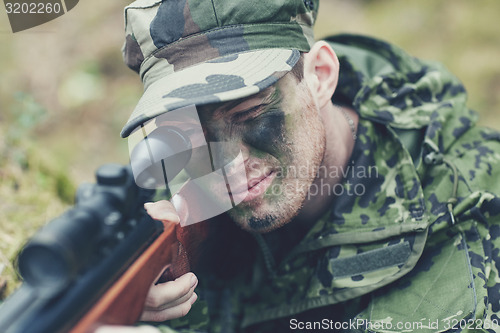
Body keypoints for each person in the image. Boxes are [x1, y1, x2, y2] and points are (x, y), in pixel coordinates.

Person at [98, 0, 500, 332]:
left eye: (252, 113)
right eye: (191, 133)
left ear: (320, 76)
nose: (229, 163)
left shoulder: (463, 221)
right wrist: (140, 300)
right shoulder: (176, 195)